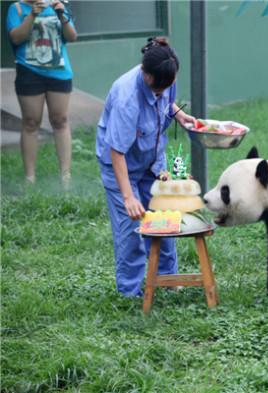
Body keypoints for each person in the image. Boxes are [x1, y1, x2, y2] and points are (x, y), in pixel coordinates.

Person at [95, 37, 198, 297]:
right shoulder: (127, 99)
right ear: (144, 72)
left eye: (167, 88)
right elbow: (116, 151)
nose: (162, 93)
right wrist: (128, 196)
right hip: (122, 166)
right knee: (131, 231)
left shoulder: (167, 74)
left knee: (163, 223)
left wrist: (179, 114)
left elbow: (164, 101)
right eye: (157, 89)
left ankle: (167, 282)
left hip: (153, 163)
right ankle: (130, 295)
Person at [6, 0, 77, 189]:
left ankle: (65, 178)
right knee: (30, 123)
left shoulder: (56, 6)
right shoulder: (17, 8)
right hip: (29, 73)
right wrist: (32, 15)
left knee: (61, 121)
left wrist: (62, 15)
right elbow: (16, 38)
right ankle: (30, 178)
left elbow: (72, 36)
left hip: (59, 72)